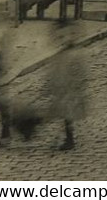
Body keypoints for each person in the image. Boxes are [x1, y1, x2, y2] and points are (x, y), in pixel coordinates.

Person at [45, 21, 89, 150]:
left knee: (67, 115)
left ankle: (69, 140)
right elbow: (57, 71)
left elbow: (80, 72)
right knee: (65, 115)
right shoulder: (63, 53)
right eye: (60, 37)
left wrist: (76, 85)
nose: (64, 39)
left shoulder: (75, 54)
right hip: (63, 89)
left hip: (70, 89)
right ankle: (67, 138)